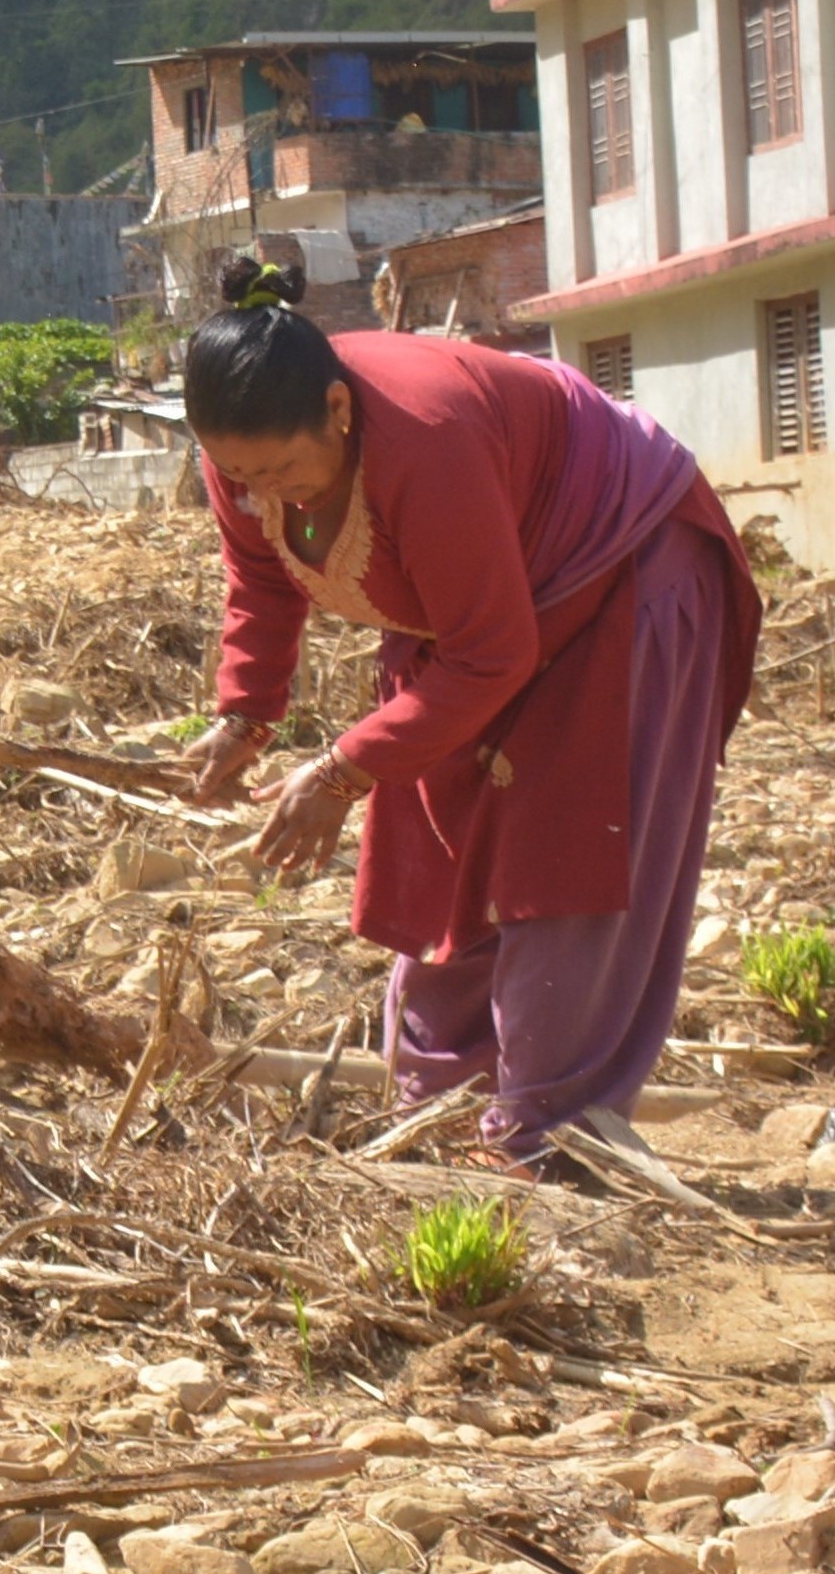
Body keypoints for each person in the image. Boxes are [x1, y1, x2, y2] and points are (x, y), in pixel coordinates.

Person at [180, 254, 758, 1170]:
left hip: (619, 574)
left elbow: (490, 653)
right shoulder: (248, 455)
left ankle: (550, 1145)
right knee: (439, 855)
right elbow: (259, 579)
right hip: (479, 608)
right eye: (238, 474)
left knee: (568, 862)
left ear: (338, 410)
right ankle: (436, 1123)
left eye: (283, 469)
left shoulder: (425, 438)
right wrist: (245, 717)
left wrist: (339, 772)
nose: (263, 493)